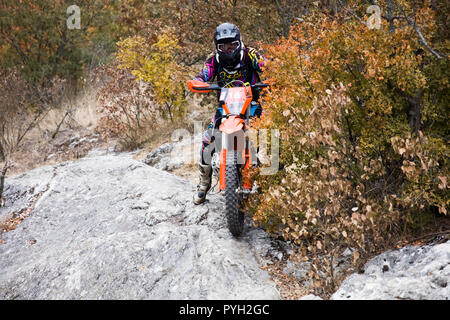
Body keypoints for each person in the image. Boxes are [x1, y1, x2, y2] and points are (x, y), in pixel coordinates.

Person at [192, 22, 265, 205]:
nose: (228, 49)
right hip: (225, 107)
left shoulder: (250, 54)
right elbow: (204, 75)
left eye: (232, 44)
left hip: (252, 104)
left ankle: (270, 181)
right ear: (217, 47)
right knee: (208, 139)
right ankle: (204, 183)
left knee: (269, 137)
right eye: (223, 46)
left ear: (239, 42)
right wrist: (199, 82)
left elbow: (266, 65)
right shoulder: (214, 60)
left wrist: (275, 72)